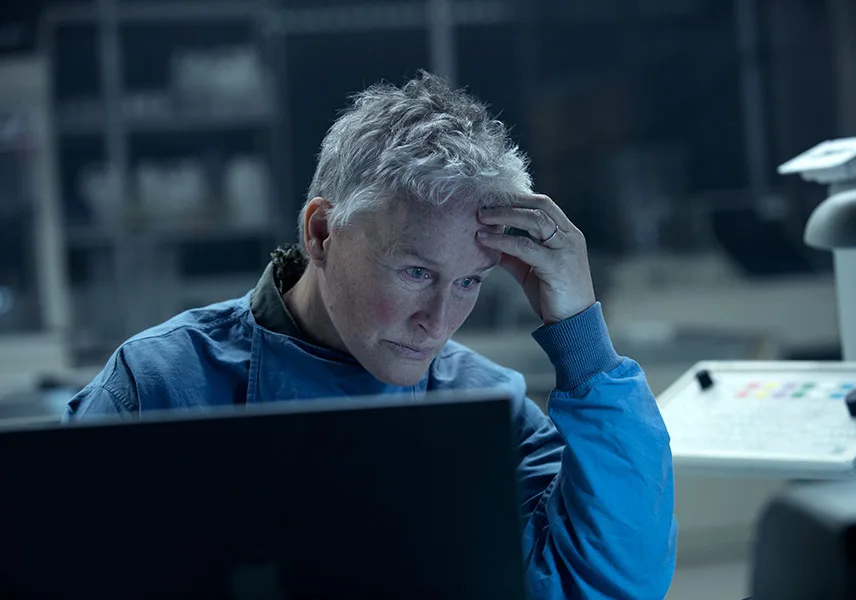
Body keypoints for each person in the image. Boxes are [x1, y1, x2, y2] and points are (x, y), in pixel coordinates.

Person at [65, 72, 677, 599]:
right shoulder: (157, 387)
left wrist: (581, 338)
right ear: (321, 233)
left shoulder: (485, 412)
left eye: (469, 282)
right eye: (416, 273)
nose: (437, 321)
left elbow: (609, 583)